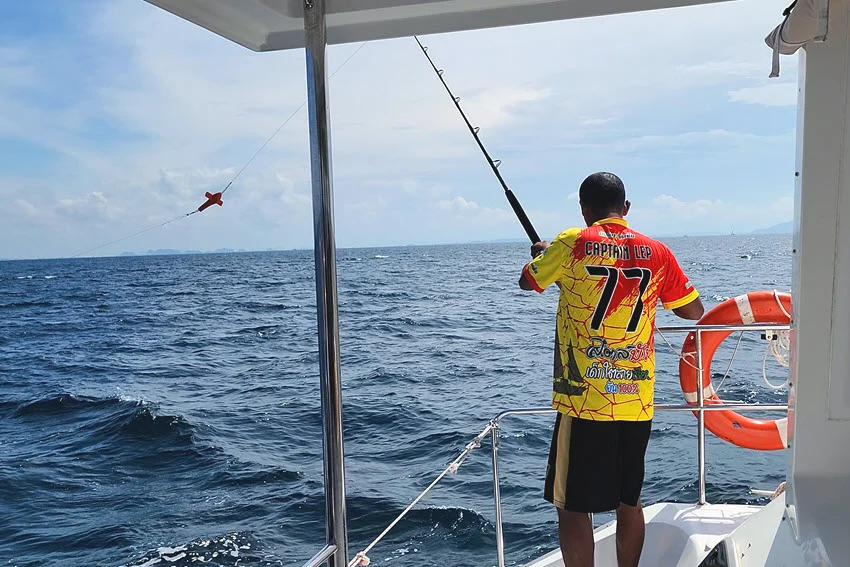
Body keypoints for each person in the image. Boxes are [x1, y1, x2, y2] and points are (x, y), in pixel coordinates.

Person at [518, 172, 704, 567]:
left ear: (584, 210)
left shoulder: (573, 242)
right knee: (629, 500)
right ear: (627, 208)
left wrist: (544, 255)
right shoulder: (658, 251)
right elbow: (693, 310)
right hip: (637, 399)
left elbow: (528, 281)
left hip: (585, 399)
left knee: (570, 506)